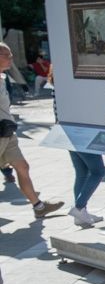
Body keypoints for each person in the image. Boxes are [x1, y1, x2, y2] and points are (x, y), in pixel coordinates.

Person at [0, 44, 64, 219]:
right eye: (7, 55)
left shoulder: (2, 77)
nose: (11, 58)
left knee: (23, 166)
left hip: (7, 131)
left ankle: (38, 206)